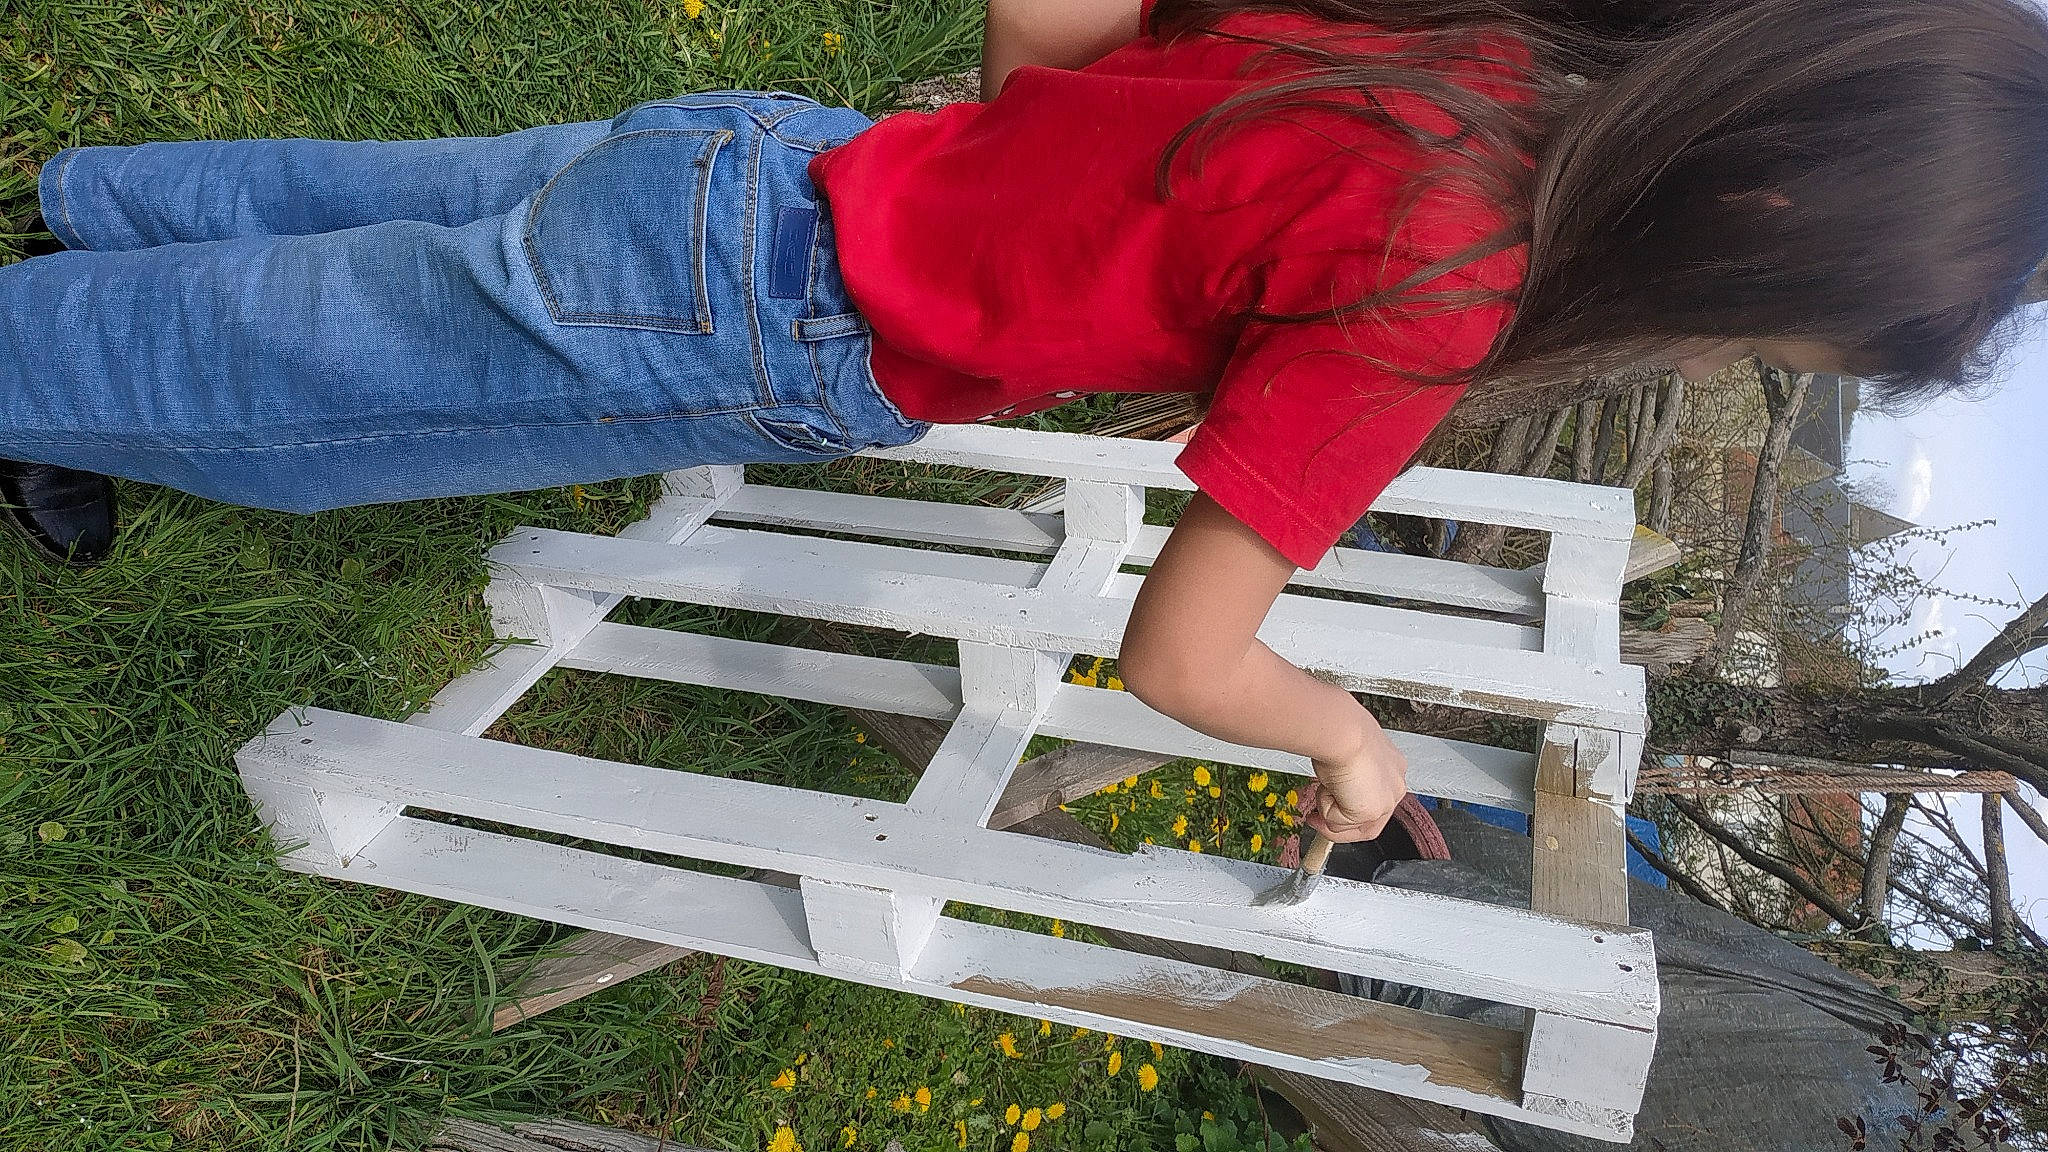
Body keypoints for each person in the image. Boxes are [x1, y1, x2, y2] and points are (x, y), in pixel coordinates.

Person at [3, 0, 2045, 847]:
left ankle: (92, 210)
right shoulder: (1440, 297)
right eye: (1783, 335)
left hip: (778, 160)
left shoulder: (1475, 49)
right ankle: (46, 360)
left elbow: (1066, 36)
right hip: (765, 316)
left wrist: (1032, 176)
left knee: (395, 214)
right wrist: (1344, 741)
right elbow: (1183, 652)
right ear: (1761, 222)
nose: (1740, 358)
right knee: (307, 376)